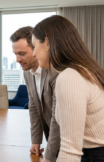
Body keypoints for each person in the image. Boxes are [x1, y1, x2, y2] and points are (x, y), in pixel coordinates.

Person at [32, 15, 104, 162]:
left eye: (34, 46)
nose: (33, 53)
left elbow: (70, 152)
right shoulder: (84, 71)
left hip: (92, 156)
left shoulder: (70, 77)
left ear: (47, 42)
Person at [10, 26, 60, 162]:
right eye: (15, 54)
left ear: (36, 48)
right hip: (52, 138)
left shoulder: (55, 71)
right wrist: (36, 140)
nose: (17, 60)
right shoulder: (27, 72)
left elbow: (58, 117)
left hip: (72, 142)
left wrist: (49, 154)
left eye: (22, 53)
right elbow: (34, 106)